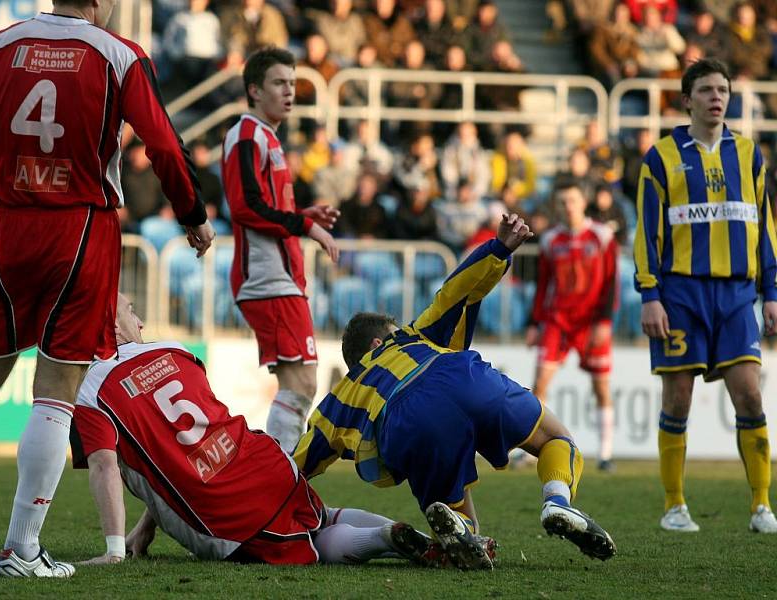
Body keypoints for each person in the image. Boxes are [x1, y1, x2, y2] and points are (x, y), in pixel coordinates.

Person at [0, 0, 215, 578]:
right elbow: (160, 142)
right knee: (57, 389)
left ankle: (22, 549)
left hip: (7, 223)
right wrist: (192, 210)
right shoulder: (119, 54)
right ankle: (21, 549)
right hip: (80, 228)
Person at [293, 214, 618, 567]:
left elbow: (296, 467)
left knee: (465, 536)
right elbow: (454, 290)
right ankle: (557, 501)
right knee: (556, 439)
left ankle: (462, 526)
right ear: (380, 339)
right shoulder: (411, 336)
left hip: (404, 426)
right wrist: (499, 249)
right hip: (459, 377)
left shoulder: (339, 398)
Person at [70, 294, 462, 570]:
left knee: (316, 545)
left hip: (222, 505)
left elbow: (119, 464)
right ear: (110, 325)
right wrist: (146, 525)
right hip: (261, 457)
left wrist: (115, 549)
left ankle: (387, 538)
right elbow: (184, 439)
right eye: (129, 311)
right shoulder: (175, 351)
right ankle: (427, 541)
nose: (139, 320)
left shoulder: (91, 389)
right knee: (321, 516)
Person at [634, 58, 777, 533]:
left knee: (750, 396)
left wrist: (771, 292)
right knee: (678, 398)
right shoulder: (660, 157)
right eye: (707, 90)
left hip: (737, 294)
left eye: (723, 90)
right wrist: (649, 294)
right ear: (687, 99)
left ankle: (761, 505)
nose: (717, 97)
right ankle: (674, 505)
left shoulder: (750, 154)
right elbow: (646, 233)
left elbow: (766, 228)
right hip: (680, 295)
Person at [221, 47, 339, 452]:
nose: (289, 92)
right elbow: (245, 207)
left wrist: (302, 214)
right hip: (267, 277)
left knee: (302, 382)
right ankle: (277, 481)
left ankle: (275, 480)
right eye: (278, 83)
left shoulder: (266, 135)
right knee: (303, 382)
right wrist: (305, 225)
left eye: (292, 83)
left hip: (281, 274)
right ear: (254, 89)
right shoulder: (246, 134)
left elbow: (266, 209)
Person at [526, 180, 619, 472]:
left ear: (583, 202)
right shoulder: (550, 240)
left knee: (601, 387)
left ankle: (605, 454)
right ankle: (527, 450)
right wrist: (534, 321)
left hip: (591, 322)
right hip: (558, 320)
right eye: (563, 201)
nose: (568, 206)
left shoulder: (602, 237)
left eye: (573, 200)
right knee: (540, 382)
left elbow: (611, 282)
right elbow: (543, 284)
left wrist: (604, 321)